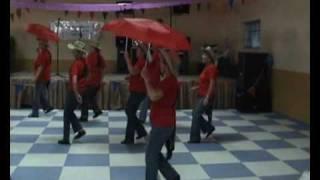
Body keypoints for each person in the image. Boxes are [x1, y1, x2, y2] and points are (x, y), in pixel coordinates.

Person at [141, 48, 180, 180]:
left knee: (150, 155)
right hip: (162, 122)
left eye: (161, 63)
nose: (160, 65)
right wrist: (148, 79)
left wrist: (146, 79)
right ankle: (172, 176)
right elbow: (153, 91)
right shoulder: (167, 79)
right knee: (154, 153)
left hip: (163, 124)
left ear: (167, 65)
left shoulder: (170, 81)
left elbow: (153, 96)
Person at [58, 41, 88, 145]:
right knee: (69, 112)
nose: (73, 52)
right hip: (81, 89)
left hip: (74, 91)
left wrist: (76, 93)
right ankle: (79, 130)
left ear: (78, 52)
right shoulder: (84, 62)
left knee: (67, 113)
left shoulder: (76, 64)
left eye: (74, 50)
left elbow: (75, 79)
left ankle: (66, 138)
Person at [188, 46, 218, 143]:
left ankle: (194, 138)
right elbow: (205, 83)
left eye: (204, 55)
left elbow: (212, 84)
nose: (202, 56)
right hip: (201, 94)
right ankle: (208, 128)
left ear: (209, 57)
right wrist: (196, 87)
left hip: (206, 96)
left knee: (196, 114)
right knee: (194, 113)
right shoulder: (207, 67)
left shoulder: (212, 68)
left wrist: (207, 97)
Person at [121, 43, 148, 144]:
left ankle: (132, 136)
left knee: (129, 111)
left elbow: (133, 71)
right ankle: (139, 132)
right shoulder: (140, 62)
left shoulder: (142, 62)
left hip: (139, 91)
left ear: (142, 52)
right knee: (130, 112)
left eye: (138, 50)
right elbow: (135, 74)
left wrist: (127, 59)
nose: (136, 52)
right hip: (137, 90)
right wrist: (131, 77)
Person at [79, 41, 105, 122]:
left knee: (85, 97)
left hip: (91, 80)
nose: (90, 48)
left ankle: (84, 116)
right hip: (97, 80)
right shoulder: (100, 56)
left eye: (91, 47)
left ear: (94, 48)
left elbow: (89, 67)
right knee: (90, 96)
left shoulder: (92, 56)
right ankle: (97, 110)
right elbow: (103, 68)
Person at [28, 38, 54, 117]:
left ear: (44, 45)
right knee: (41, 94)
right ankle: (47, 107)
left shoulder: (43, 55)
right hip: (45, 77)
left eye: (40, 43)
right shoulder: (47, 53)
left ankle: (35, 112)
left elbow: (40, 67)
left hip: (41, 77)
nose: (38, 44)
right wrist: (39, 53)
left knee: (36, 95)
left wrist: (35, 78)